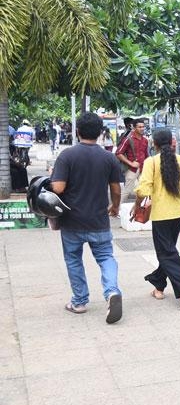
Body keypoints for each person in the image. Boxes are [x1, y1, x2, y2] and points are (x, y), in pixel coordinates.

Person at [49, 112, 123, 323]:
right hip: (99, 220)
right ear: (101, 133)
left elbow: (58, 187)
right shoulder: (109, 157)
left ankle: (79, 301)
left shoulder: (67, 155)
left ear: (78, 131)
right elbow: (116, 189)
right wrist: (115, 207)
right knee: (106, 257)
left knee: (73, 259)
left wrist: (54, 175)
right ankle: (112, 292)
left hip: (72, 222)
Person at [134, 128, 180, 310]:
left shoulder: (151, 162)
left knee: (166, 253)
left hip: (161, 215)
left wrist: (136, 205)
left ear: (154, 144)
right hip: (179, 214)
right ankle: (158, 284)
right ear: (172, 142)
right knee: (168, 250)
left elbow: (143, 190)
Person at [116, 118, 149, 200]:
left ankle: (141, 211)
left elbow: (146, 154)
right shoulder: (128, 139)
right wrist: (130, 163)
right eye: (139, 127)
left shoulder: (145, 140)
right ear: (134, 128)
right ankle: (114, 210)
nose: (142, 129)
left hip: (143, 168)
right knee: (126, 192)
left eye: (143, 127)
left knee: (145, 191)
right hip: (132, 169)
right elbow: (118, 153)